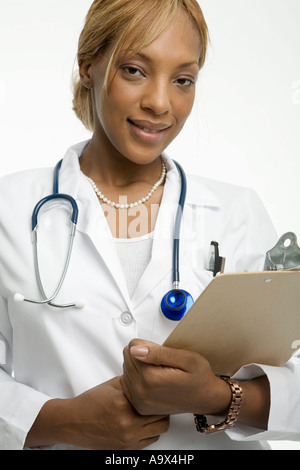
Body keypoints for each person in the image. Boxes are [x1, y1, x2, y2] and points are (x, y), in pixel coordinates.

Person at [0, 0, 299, 450]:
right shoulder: (10, 207)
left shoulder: (236, 213)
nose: (160, 103)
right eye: (135, 70)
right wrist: (59, 421)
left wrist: (218, 396)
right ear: (89, 66)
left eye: (183, 80)